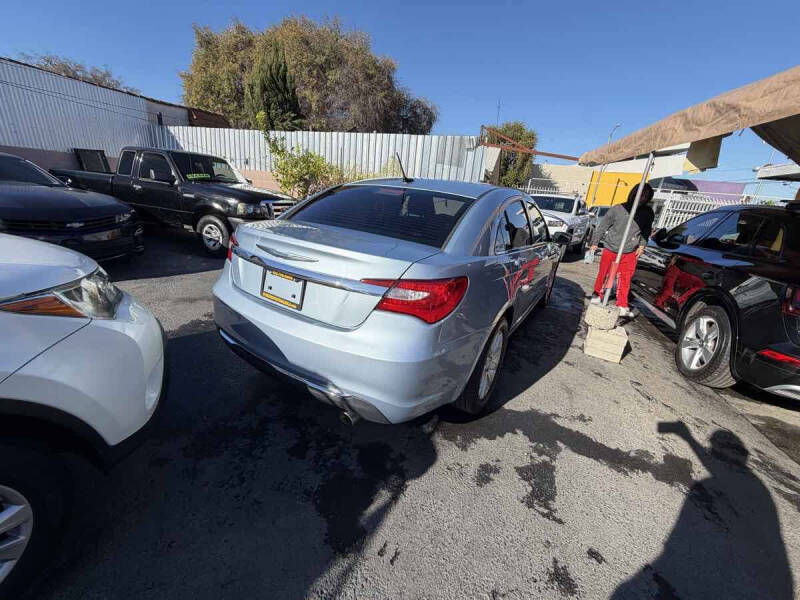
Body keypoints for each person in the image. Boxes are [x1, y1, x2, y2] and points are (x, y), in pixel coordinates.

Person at [588, 183, 655, 318]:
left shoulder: (648, 213)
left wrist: (642, 245)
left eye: (646, 197)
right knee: (604, 273)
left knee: (625, 278)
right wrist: (594, 243)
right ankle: (598, 293)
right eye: (640, 195)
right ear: (634, 193)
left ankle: (622, 303)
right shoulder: (618, 209)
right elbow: (602, 226)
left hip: (630, 250)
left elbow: (646, 230)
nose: (642, 198)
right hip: (612, 247)